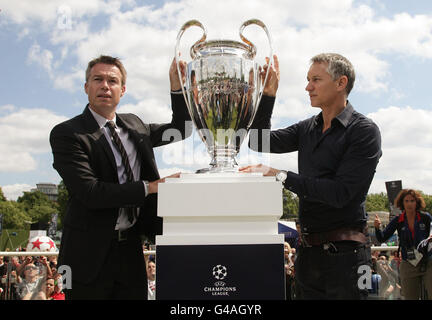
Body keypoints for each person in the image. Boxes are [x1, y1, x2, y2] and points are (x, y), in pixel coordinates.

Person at [240, 53, 382, 299]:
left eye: (316, 79)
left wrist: (281, 176)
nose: (308, 87)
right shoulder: (307, 128)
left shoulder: (364, 131)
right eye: (308, 79)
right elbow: (256, 140)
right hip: (307, 256)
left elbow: (340, 194)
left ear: (341, 83)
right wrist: (267, 96)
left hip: (349, 258)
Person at [49, 55, 192, 300]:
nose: (105, 85)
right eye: (98, 79)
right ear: (86, 87)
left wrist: (177, 88)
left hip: (130, 251)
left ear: (122, 90)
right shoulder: (67, 134)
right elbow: (90, 193)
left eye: (112, 81)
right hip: (86, 257)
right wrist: (150, 187)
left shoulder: (135, 125)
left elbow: (181, 129)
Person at [374, 189, 432, 299]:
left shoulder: (426, 217)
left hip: (428, 262)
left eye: (412, 200)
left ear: (417, 202)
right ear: (402, 203)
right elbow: (382, 238)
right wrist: (377, 228)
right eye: (406, 201)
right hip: (408, 263)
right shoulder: (398, 220)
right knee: (410, 296)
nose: (409, 204)